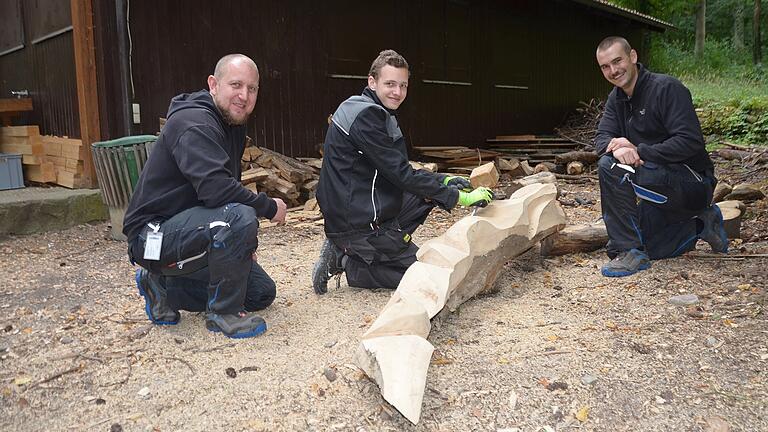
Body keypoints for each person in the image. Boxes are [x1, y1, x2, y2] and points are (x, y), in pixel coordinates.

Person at [123, 54, 287, 338]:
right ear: (213, 84)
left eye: (252, 88)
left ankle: (163, 287)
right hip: (150, 236)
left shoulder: (231, 123)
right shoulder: (194, 123)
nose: (244, 95)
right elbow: (217, 190)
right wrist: (269, 207)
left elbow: (225, 188)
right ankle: (224, 313)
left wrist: (240, 247)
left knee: (261, 293)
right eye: (235, 85)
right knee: (238, 216)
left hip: (186, 228)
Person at [311, 49, 494, 294]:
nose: (397, 92)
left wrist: (444, 180)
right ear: (372, 82)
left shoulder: (369, 108)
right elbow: (400, 175)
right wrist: (459, 198)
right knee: (426, 277)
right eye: (390, 84)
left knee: (426, 194)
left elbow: (397, 169)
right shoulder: (367, 117)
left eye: (403, 85)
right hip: (356, 220)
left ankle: (364, 248)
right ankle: (347, 262)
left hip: (359, 202)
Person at [594, 36, 728, 277]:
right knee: (650, 245)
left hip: (692, 184)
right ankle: (702, 224)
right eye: (605, 66)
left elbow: (690, 141)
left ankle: (629, 252)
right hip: (657, 187)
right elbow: (602, 138)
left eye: (617, 61)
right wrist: (617, 148)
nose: (613, 71)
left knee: (609, 167)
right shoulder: (617, 98)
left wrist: (638, 150)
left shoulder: (666, 88)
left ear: (633, 57)